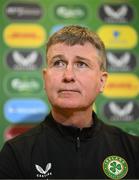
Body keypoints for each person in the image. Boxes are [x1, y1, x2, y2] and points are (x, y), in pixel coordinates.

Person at [0, 25, 139, 179]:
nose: (68, 75)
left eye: (81, 64)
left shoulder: (133, 149)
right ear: (45, 78)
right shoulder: (15, 153)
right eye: (58, 63)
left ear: (102, 81)